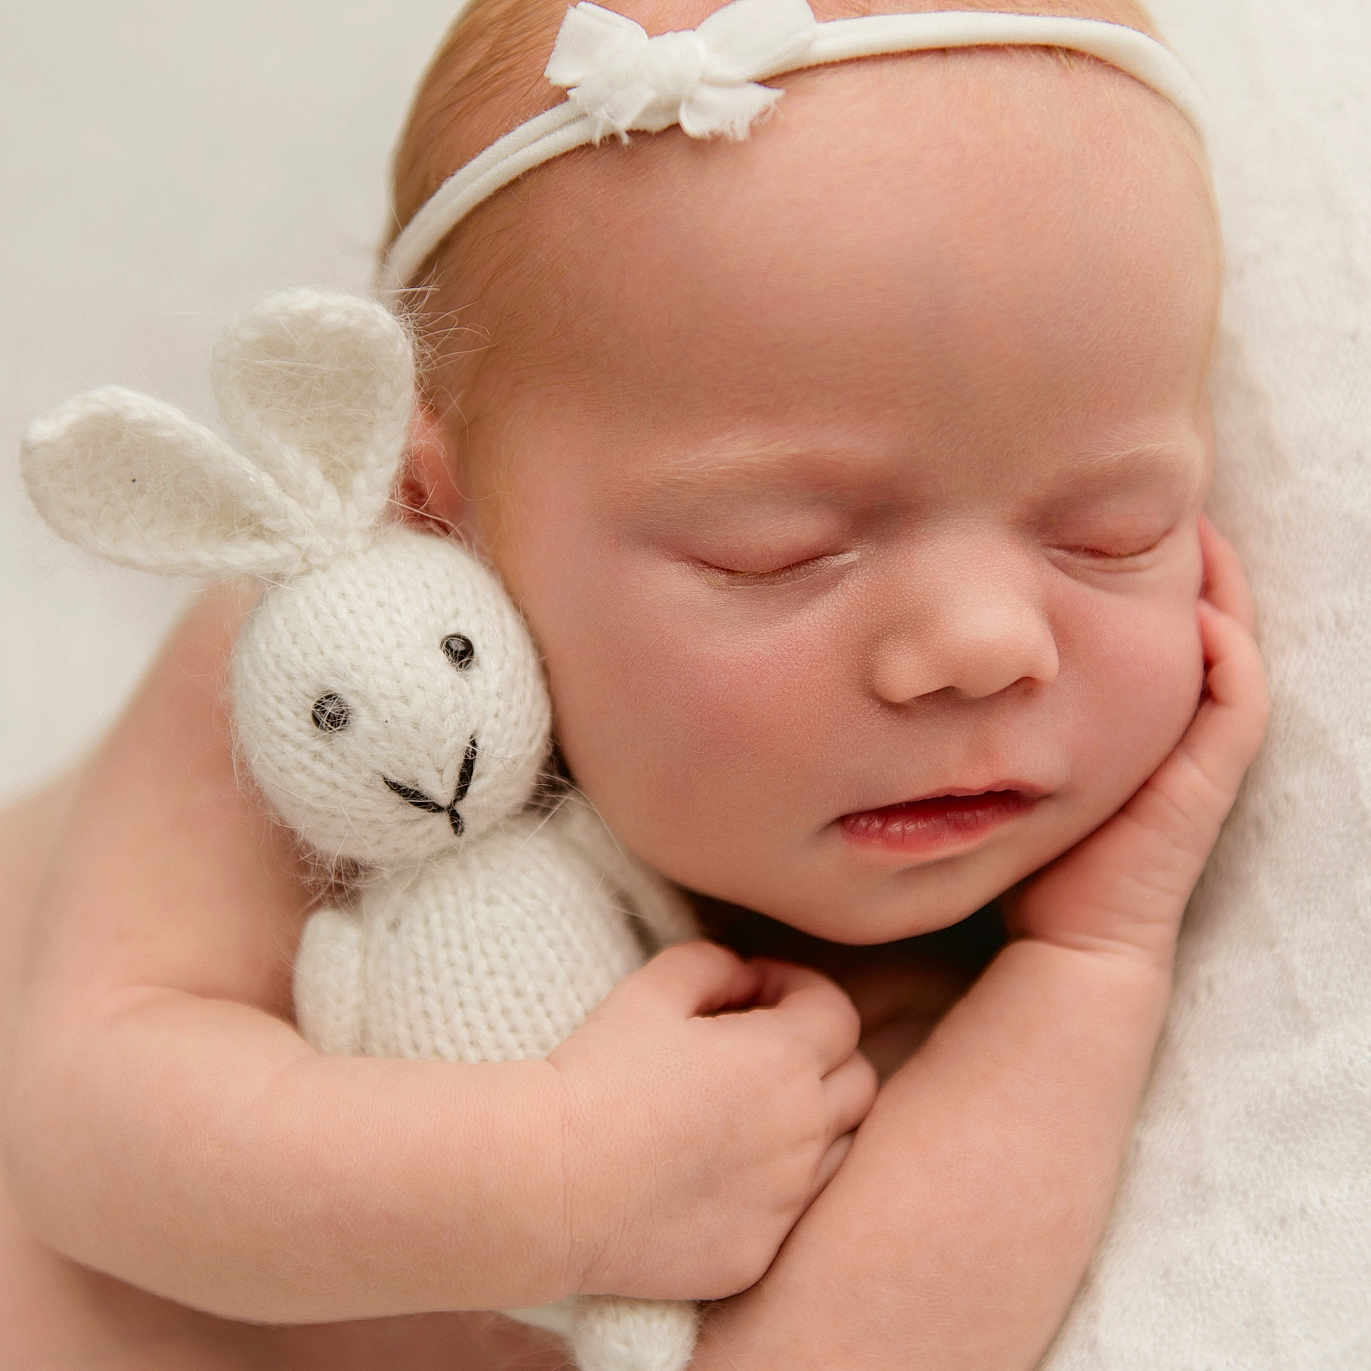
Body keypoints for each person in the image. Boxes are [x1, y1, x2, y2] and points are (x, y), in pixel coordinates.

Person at [0, 0, 1269, 1367]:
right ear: (439, 511)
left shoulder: (949, 964)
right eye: (777, 549)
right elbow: (83, 1122)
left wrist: (1087, 967)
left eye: (1112, 530)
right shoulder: (330, 682)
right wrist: (560, 1178)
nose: (985, 644)